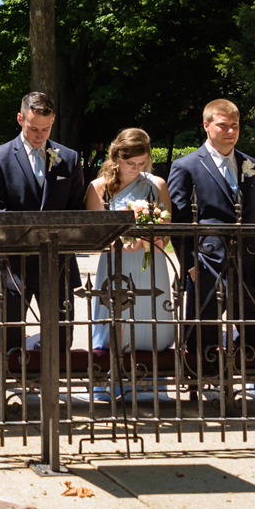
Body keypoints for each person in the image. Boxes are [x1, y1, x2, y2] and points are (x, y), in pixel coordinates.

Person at [166, 98, 255, 369]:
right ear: (206, 125)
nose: (230, 132)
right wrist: (189, 263)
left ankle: (252, 383)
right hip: (206, 263)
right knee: (204, 334)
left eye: (234, 126)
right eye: (223, 125)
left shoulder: (253, 165)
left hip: (250, 262)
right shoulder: (186, 166)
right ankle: (206, 383)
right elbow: (178, 222)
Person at [0, 92, 85, 354]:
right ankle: (15, 380)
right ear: (20, 119)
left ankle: (41, 370)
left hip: (58, 262)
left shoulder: (68, 158)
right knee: (10, 340)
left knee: (62, 340)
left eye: (46, 129)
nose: (40, 136)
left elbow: (75, 209)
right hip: (15, 262)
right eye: (33, 128)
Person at [83, 127, 176, 357]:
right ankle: (113, 367)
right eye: (131, 163)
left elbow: (166, 230)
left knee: (150, 317)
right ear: (116, 158)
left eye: (142, 163)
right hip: (115, 262)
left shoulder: (157, 185)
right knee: (117, 320)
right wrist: (118, 245)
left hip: (150, 261)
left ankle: (152, 370)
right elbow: (94, 235)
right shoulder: (98, 188)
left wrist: (150, 241)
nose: (137, 169)